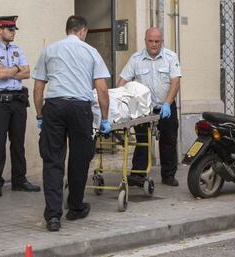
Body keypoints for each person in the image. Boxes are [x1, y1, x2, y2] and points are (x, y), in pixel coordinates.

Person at [33, 15, 111, 232]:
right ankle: (75, 207)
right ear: (83, 31)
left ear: (67, 30)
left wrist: (40, 116)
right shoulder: (91, 52)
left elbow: (38, 89)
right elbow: (102, 90)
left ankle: (53, 217)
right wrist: (104, 119)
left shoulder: (49, 50)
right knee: (79, 158)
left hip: (54, 106)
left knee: (53, 161)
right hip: (80, 108)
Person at [0, 16, 40, 198]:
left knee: (18, 142)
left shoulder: (17, 49)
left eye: (14, 29)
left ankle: (19, 180)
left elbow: (28, 73)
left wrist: (9, 70)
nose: (14, 32)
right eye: (10, 29)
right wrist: (16, 69)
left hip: (18, 100)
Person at [117, 27, 182, 187]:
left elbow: (175, 81)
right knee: (142, 141)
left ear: (162, 41)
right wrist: (119, 100)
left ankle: (168, 175)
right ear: (145, 40)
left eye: (157, 41)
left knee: (168, 140)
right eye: (150, 41)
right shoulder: (136, 59)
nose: (154, 45)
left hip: (166, 106)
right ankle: (138, 174)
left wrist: (167, 103)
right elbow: (122, 81)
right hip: (143, 110)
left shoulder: (170, 57)